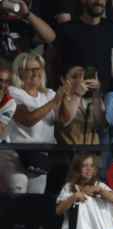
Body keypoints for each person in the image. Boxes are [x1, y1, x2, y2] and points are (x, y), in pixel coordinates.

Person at [8, 52, 67, 196]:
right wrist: (54, 102)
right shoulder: (13, 92)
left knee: (36, 200)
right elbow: (28, 120)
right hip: (17, 156)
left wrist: (72, 95)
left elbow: (63, 121)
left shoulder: (49, 94)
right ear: (20, 73)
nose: (36, 73)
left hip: (41, 157)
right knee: (18, 195)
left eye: (39, 68)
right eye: (31, 69)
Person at [52, 0, 113, 93]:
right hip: (72, 95)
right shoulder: (66, 30)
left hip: (105, 97)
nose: (99, 1)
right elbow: (55, 67)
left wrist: (103, 87)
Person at [55, 153, 113, 229]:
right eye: (84, 165)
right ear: (77, 168)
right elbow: (58, 211)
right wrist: (74, 197)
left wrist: (100, 191)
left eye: (92, 165)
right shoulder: (69, 187)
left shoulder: (99, 185)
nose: (89, 169)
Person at [55, 65, 105, 145]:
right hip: (70, 154)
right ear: (63, 80)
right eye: (74, 77)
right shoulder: (57, 99)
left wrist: (96, 94)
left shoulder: (90, 101)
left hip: (93, 154)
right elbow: (64, 121)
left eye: (82, 77)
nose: (79, 81)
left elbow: (101, 123)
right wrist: (77, 95)